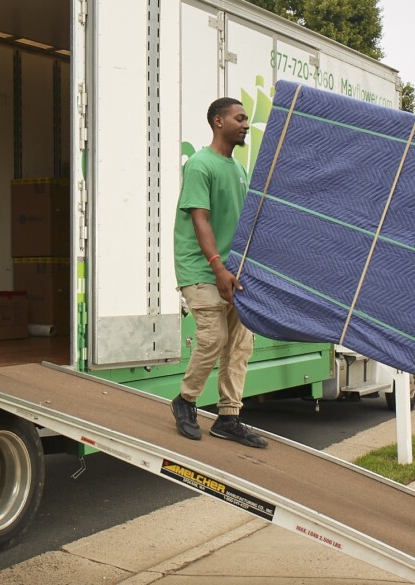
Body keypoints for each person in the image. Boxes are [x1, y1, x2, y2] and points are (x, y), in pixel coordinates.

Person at [168, 97, 267, 449]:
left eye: (246, 119)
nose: (245, 124)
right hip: (201, 266)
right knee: (213, 338)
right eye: (239, 118)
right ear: (218, 122)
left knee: (240, 344)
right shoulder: (200, 164)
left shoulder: (237, 169)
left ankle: (229, 417)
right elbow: (201, 219)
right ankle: (186, 400)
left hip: (233, 270)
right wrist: (217, 266)